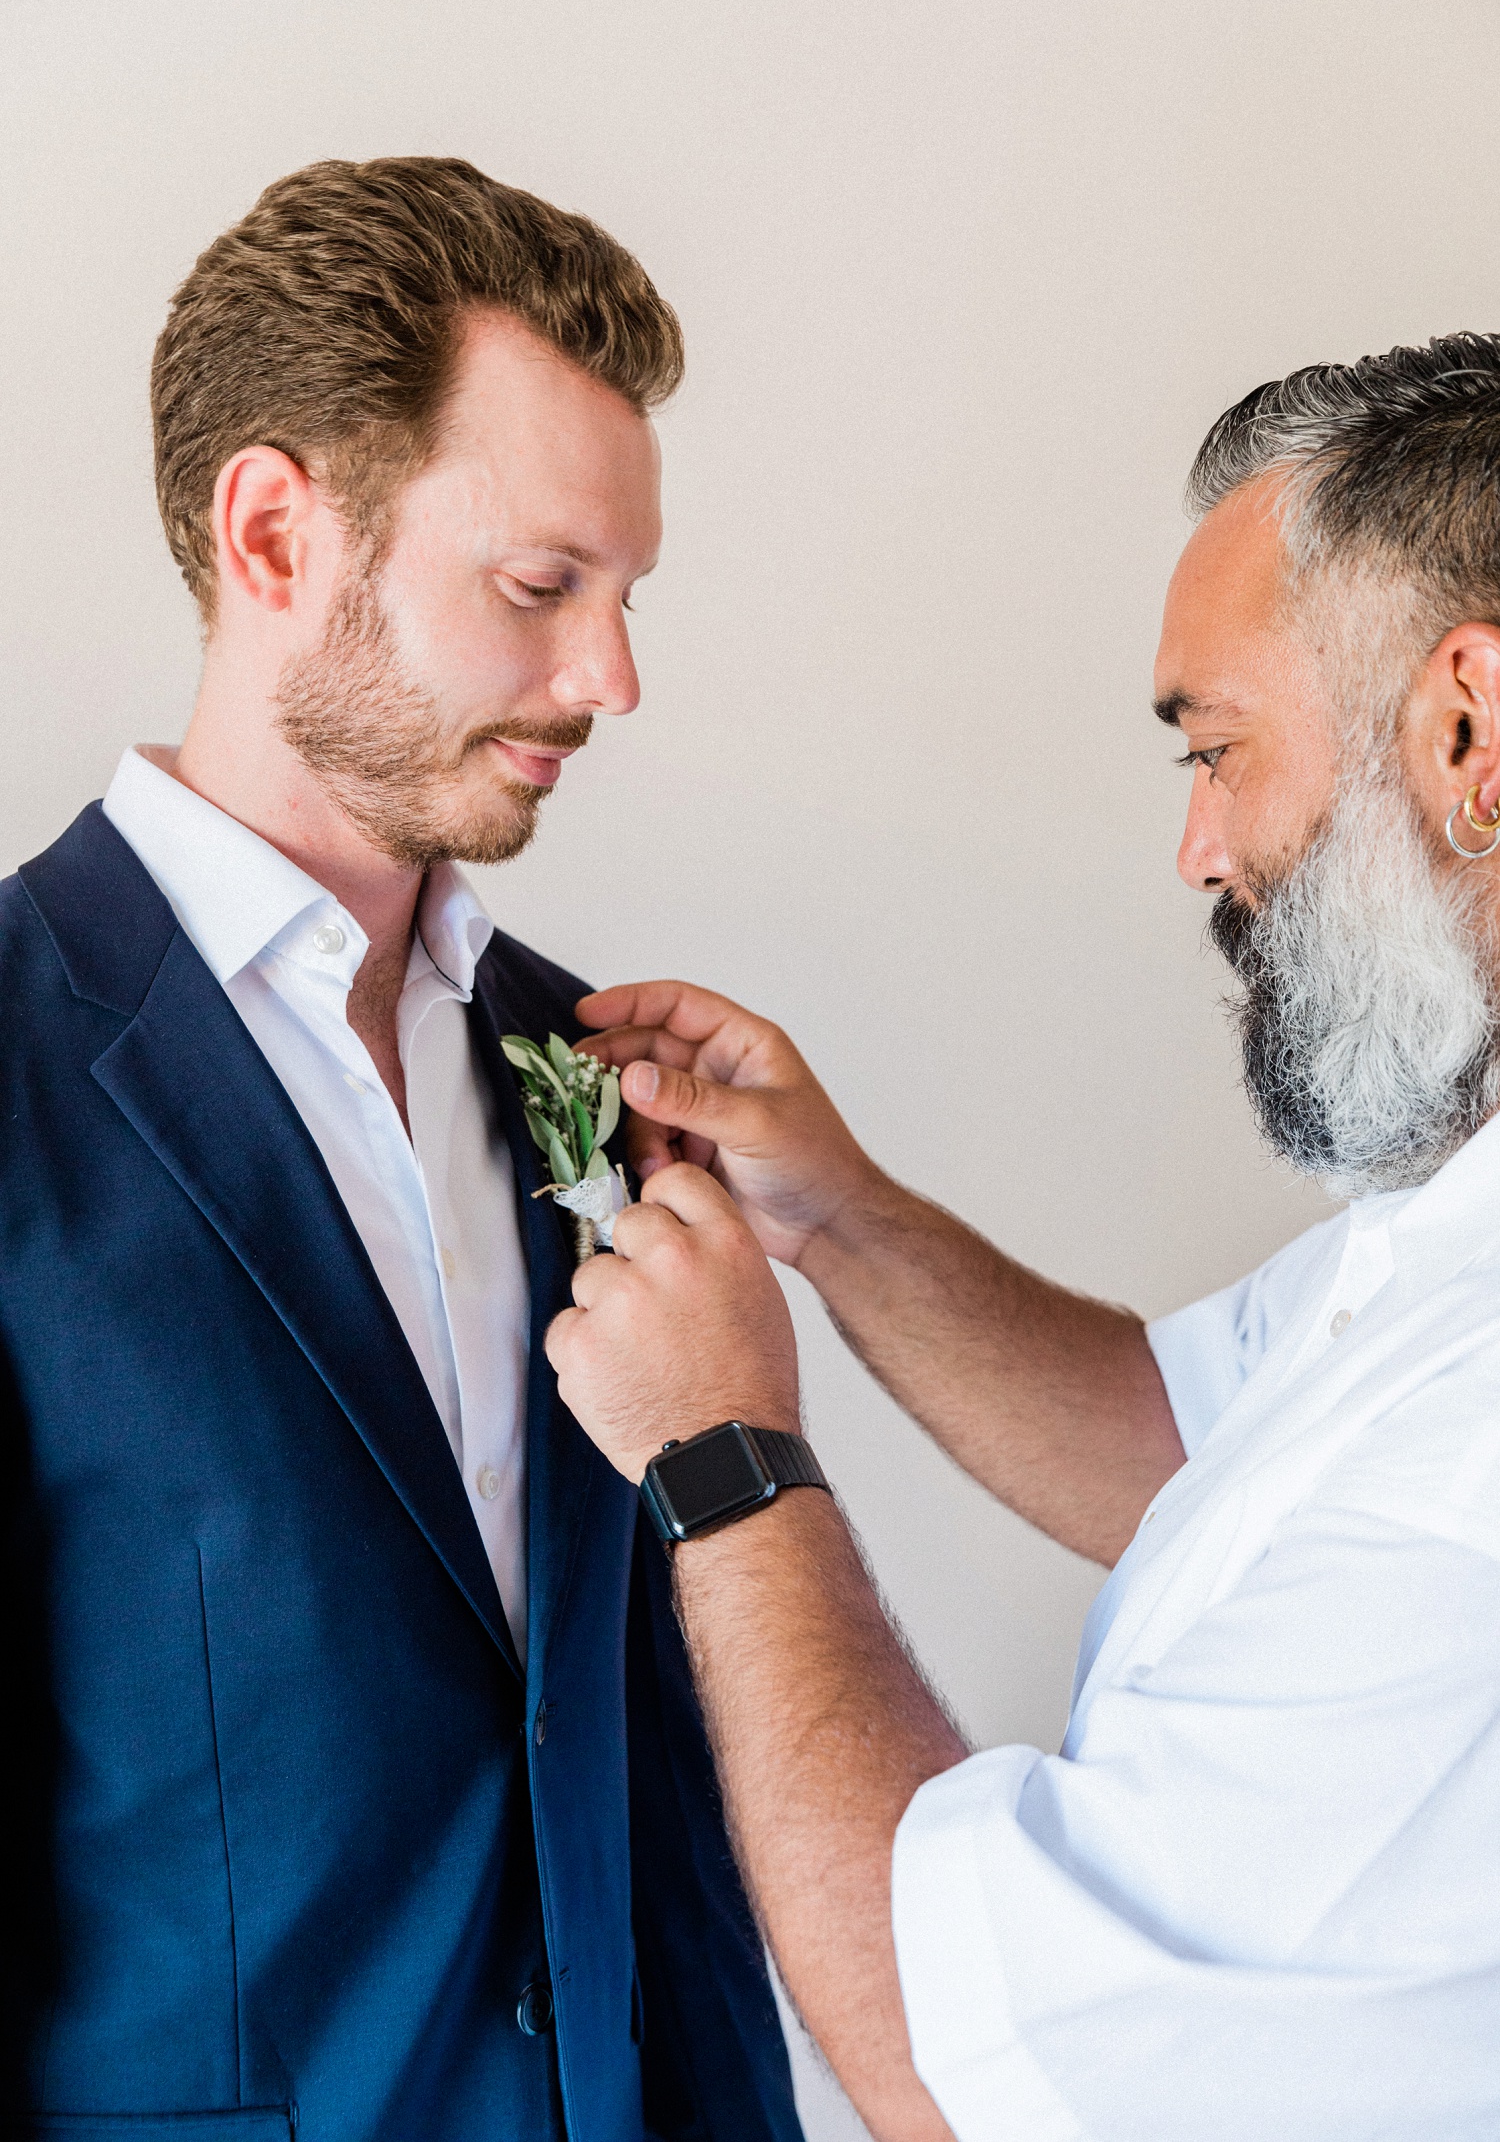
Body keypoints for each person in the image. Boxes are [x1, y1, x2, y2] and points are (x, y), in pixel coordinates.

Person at [546, 336, 1500, 2141]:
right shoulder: (1453, 1234)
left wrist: (727, 1459)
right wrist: (843, 1219)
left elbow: (956, 2055)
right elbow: (1182, 1441)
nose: (1198, 848)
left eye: (1221, 751)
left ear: (1469, 728)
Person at [0, 158, 801, 2142]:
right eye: (542, 587)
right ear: (274, 533)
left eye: (623, 598)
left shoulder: (576, 1066)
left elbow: (639, 1769)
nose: (613, 680)